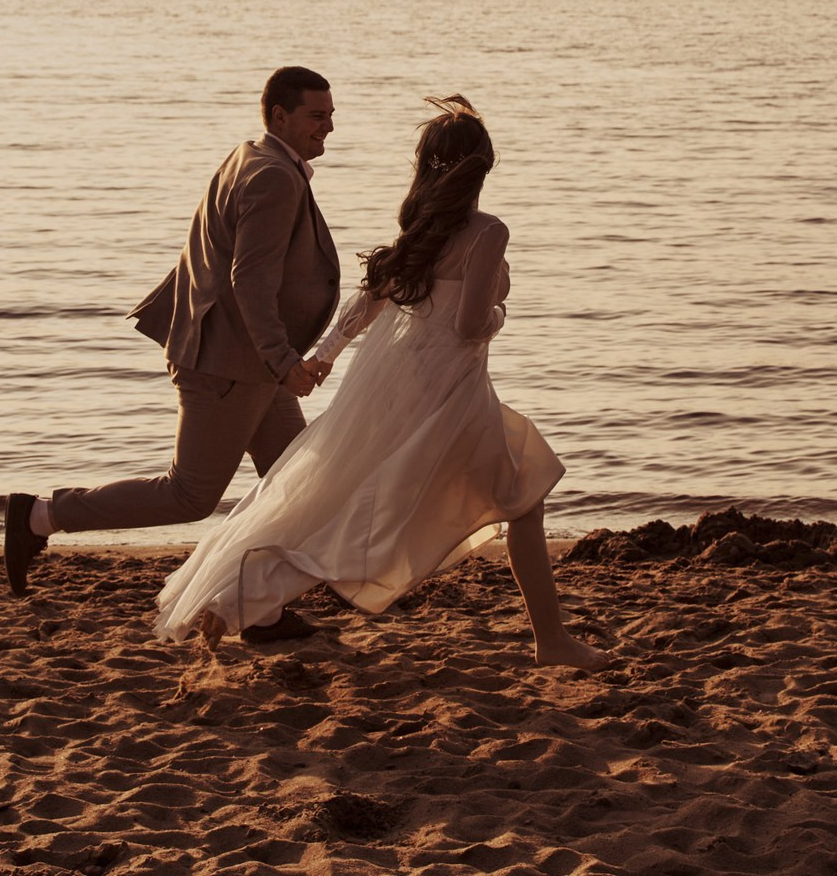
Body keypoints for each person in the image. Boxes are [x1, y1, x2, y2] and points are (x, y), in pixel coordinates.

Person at [153, 96, 610, 671]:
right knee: (505, 500)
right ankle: (552, 642)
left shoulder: (418, 232)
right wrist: (500, 314)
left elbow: (366, 303)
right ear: (481, 169)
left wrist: (322, 356)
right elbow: (471, 325)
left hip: (399, 386)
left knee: (359, 499)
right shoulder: (487, 231)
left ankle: (237, 594)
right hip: (452, 395)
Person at [3, 67, 340, 643]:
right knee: (190, 494)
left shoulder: (252, 154)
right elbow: (250, 281)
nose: (328, 128)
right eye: (317, 116)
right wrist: (284, 360)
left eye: (331, 116)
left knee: (294, 484)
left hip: (240, 362)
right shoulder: (272, 177)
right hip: (230, 367)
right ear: (280, 116)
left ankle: (263, 611)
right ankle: (38, 516)